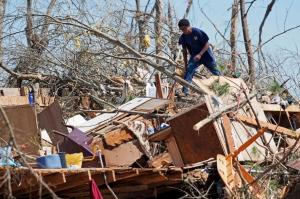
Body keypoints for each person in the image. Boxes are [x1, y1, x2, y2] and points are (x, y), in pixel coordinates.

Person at [178, 19, 221, 95]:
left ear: (188, 26)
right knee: (189, 71)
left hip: (206, 55)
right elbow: (184, 51)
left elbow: (207, 44)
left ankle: (222, 87)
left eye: (184, 29)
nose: (183, 31)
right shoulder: (183, 37)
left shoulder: (197, 32)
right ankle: (185, 92)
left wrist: (200, 54)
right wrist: (185, 64)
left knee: (216, 72)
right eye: (181, 30)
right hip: (195, 56)